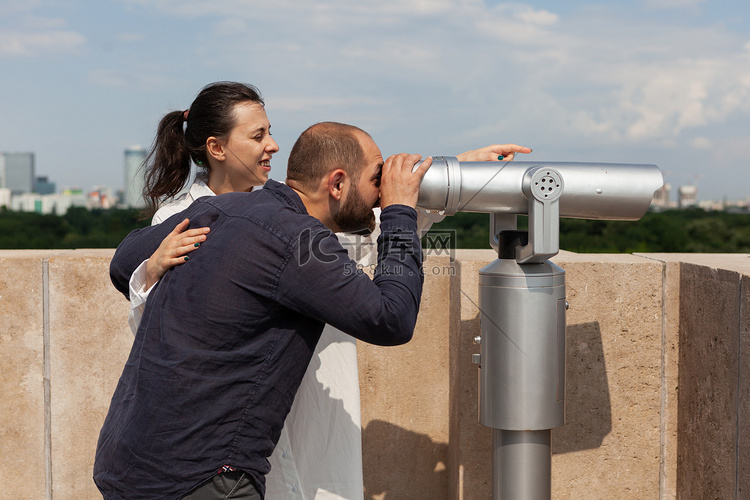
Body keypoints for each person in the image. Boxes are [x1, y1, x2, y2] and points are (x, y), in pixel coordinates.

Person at [124, 81, 533, 499]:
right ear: (217, 147)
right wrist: (147, 268)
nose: (273, 146)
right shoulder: (182, 218)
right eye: (258, 135)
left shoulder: (294, 215)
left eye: (271, 131)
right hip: (218, 436)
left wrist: (458, 172)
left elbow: (369, 226)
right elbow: (156, 316)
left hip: (301, 422)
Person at [95, 121, 432, 499]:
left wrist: (156, 262)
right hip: (203, 479)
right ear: (337, 184)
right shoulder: (298, 239)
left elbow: (123, 263)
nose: (380, 195)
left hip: (129, 465)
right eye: (377, 179)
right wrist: (400, 211)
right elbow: (391, 320)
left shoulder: (220, 207)